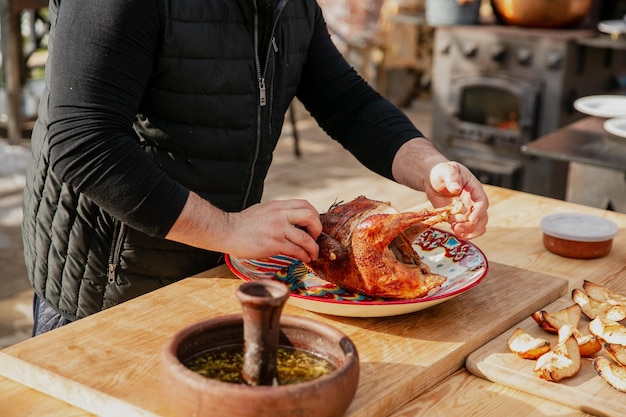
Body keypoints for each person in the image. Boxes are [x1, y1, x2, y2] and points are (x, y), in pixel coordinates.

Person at [22, 0, 489, 336]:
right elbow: (82, 138)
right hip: (103, 287)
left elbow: (347, 102)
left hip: (212, 261)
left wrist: (429, 167)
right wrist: (226, 227)